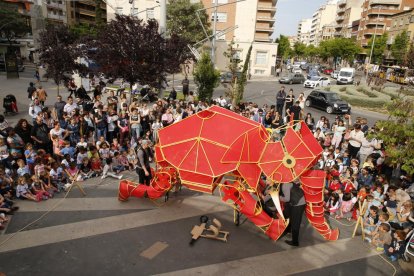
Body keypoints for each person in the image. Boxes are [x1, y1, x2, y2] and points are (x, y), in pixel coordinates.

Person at [280, 180, 306, 246]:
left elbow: (286, 199)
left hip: (298, 204)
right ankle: (288, 230)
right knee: (289, 215)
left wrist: (278, 197)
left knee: (295, 223)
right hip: (295, 203)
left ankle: (295, 242)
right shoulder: (288, 182)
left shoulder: (285, 184)